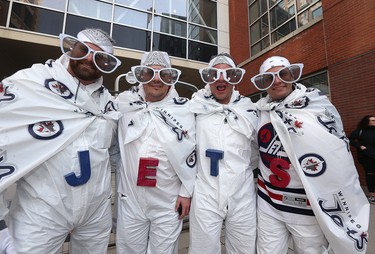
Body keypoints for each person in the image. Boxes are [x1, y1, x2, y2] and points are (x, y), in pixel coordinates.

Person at [0, 28, 121, 253]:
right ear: (72, 48)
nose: (88, 58)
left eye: (99, 56)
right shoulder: (30, 83)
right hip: (40, 211)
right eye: (83, 50)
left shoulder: (110, 105)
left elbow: (115, 156)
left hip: (95, 213)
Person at [251, 56, 369, 254]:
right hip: (268, 203)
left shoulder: (315, 106)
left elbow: (337, 152)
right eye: (269, 78)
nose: (278, 81)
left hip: (306, 207)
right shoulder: (258, 111)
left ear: (293, 76)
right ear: (264, 84)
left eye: (283, 74)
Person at [115, 51, 197, 253]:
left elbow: (192, 152)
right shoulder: (124, 104)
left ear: (171, 79)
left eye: (164, 75)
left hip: (167, 202)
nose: (157, 79)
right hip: (131, 199)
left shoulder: (185, 110)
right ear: (140, 76)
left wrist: (186, 193)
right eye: (149, 73)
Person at [188, 53, 258, 253]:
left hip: (242, 193)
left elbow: (256, 152)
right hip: (206, 192)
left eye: (228, 74)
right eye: (215, 74)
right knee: (203, 249)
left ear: (235, 78)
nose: (221, 79)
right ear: (208, 79)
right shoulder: (195, 108)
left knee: (243, 249)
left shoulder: (248, 109)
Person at [349, 115, 375, 203]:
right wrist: (360, 146)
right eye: (373, 120)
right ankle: (372, 195)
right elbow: (350, 139)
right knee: (370, 174)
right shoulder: (360, 131)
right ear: (367, 121)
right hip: (366, 156)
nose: (374, 121)